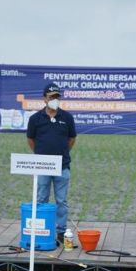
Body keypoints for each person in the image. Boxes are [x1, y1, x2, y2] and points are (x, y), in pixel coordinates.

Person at [27, 83, 77, 243]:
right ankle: (42, 229)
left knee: (61, 200)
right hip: (42, 166)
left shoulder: (67, 117)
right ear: (44, 99)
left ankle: (61, 232)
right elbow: (30, 139)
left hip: (62, 166)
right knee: (41, 198)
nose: (54, 100)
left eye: (57, 97)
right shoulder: (35, 119)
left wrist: (61, 153)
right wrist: (41, 156)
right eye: (51, 97)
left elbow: (72, 139)